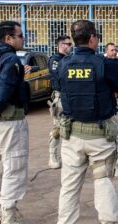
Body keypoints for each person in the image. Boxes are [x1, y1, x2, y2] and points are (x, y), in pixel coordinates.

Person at [57, 20, 118, 224]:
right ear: (93, 38)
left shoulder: (63, 64)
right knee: (102, 182)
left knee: (69, 186)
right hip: (100, 136)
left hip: (71, 135)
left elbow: (59, 87)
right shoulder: (106, 64)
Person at [0, 21, 30, 223]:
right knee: (14, 168)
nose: (23, 38)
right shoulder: (10, 59)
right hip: (9, 121)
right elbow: (4, 90)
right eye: (20, 35)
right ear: (8, 38)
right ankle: (8, 216)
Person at [47, 35, 73, 169]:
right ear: (61, 45)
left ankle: (66, 157)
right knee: (57, 128)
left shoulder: (69, 59)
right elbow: (58, 78)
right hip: (60, 96)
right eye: (68, 44)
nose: (71, 46)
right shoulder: (55, 60)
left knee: (69, 128)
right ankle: (52, 157)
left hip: (70, 96)